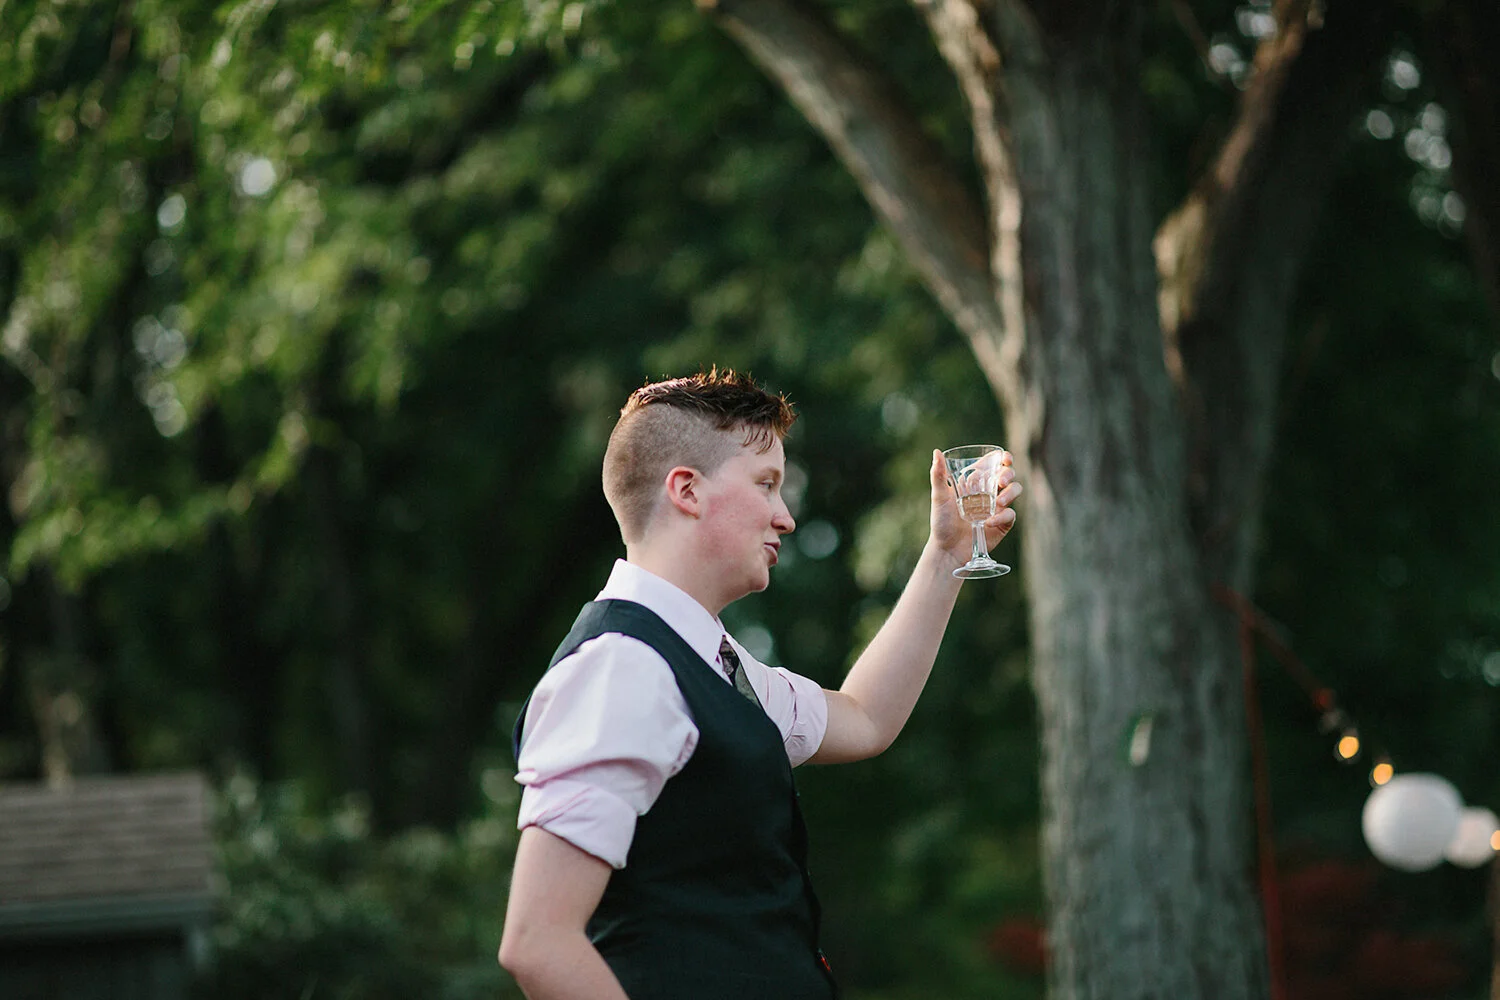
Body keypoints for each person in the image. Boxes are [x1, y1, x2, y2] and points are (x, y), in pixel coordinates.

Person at [498, 368, 1021, 1000]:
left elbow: (864, 718)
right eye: (767, 484)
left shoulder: (715, 664)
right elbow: (538, 942)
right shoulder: (621, 667)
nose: (786, 517)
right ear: (687, 491)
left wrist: (947, 554)